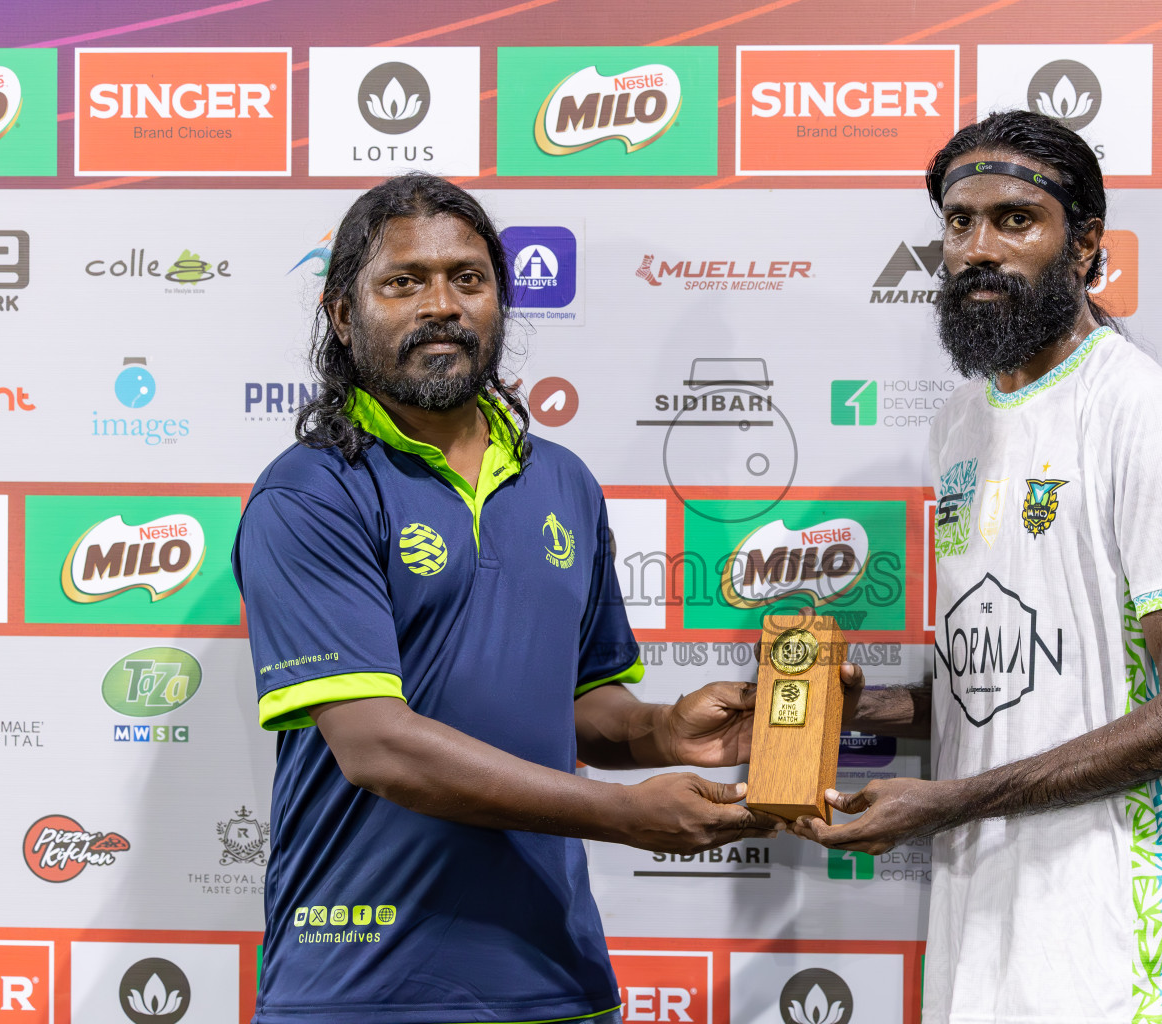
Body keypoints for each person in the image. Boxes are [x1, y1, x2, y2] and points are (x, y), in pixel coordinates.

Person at [232, 174, 781, 1024]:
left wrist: (662, 731)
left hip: (555, 977)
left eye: (468, 278)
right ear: (344, 316)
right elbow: (378, 749)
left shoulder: (565, 482)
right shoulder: (311, 493)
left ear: (500, 303)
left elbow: (586, 705)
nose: (441, 305)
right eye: (404, 282)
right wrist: (622, 816)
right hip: (363, 987)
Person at [792, 110, 1162, 1024]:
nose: (977, 249)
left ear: (1084, 249)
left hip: (1110, 930)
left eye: (1014, 220)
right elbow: (1015, 679)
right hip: (979, 916)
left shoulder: (1135, 409)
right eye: (959, 223)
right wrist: (864, 709)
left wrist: (950, 802)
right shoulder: (958, 421)